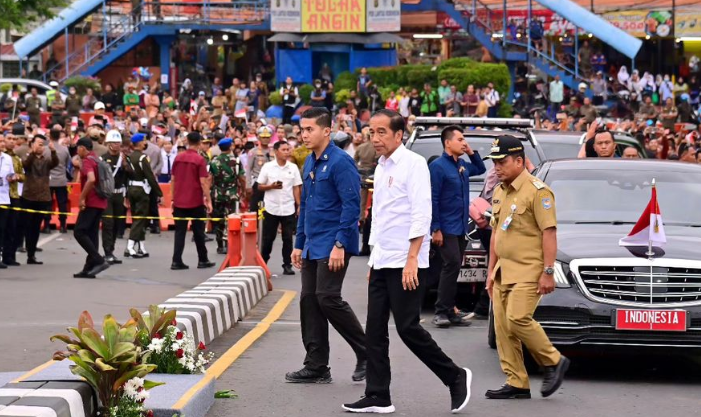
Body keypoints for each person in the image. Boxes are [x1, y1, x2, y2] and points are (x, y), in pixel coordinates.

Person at [342, 110, 471, 414]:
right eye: (372, 132)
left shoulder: (413, 165)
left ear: (399, 135)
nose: (375, 138)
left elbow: (421, 214)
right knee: (374, 329)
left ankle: (454, 376)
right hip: (384, 258)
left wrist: (413, 259)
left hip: (406, 261)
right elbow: (382, 218)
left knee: (408, 328)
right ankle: (377, 395)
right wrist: (374, 259)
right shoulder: (382, 164)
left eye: (382, 132)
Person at [484, 134, 569, 400]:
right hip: (503, 271)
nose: (497, 167)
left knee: (518, 318)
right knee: (503, 328)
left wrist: (548, 271)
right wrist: (490, 272)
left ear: (519, 161)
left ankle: (553, 360)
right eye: (494, 162)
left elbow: (549, 233)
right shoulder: (500, 191)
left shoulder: (537, 191)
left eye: (502, 161)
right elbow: (496, 234)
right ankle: (517, 382)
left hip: (528, 270)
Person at [287, 107, 367, 384]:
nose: (304, 134)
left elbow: (351, 206)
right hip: (311, 244)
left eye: (310, 129)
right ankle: (316, 365)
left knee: (328, 298)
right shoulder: (310, 162)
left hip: (333, 243)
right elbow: (306, 206)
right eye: (302, 129)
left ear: (326, 130)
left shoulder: (341, 162)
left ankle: (367, 352)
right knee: (309, 301)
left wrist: (340, 244)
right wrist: (298, 244)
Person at [429, 126, 486, 328]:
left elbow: (480, 169)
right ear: (447, 142)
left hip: (460, 226)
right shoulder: (438, 166)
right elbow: (433, 198)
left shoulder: (461, 164)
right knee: (451, 265)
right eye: (460, 139)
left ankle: (450, 310)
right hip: (445, 227)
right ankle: (441, 311)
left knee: (455, 268)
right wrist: (435, 228)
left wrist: (471, 152)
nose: (464, 142)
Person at [170, 132, 215, 270]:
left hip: (179, 201)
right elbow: (203, 182)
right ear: (200, 142)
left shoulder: (178, 158)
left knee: (180, 232)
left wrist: (173, 198)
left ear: (187, 141)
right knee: (199, 232)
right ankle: (202, 259)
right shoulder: (199, 160)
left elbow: (173, 179)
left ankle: (176, 260)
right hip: (195, 201)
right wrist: (208, 200)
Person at [257, 140, 302, 275]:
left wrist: (299, 204)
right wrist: (271, 186)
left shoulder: (293, 167)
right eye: (284, 149)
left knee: (288, 238)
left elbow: (296, 187)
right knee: (268, 238)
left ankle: (287, 265)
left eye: (288, 149)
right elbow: (259, 185)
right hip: (272, 207)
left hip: (288, 207)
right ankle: (263, 263)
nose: (287, 152)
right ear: (276, 151)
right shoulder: (268, 167)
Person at [73, 138, 110, 278]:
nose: (77, 151)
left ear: (83, 148)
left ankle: (99, 260)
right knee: (92, 234)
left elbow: (91, 179)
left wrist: (82, 197)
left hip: (92, 202)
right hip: (101, 202)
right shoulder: (97, 159)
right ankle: (88, 268)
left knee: (79, 232)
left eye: (78, 148)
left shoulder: (88, 161)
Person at [21, 134, 59, 265]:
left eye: (42, 145)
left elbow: (55, 163)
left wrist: (53, 151)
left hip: (42, 197)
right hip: (28, 196)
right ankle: (24, 247)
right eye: (38, 144)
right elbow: (26, 166)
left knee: (36, 226)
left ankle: (31, 255)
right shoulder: (27, 156)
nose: (40, 147)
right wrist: (32, 152)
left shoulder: (46, 159)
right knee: (27, 225)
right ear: (32, 145)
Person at [125, 133, 161, 258]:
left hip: (131, 188)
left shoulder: (129, 157)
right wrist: (158, 192)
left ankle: (141, 246)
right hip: (142, 189)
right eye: (144, 141)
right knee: (141, 219)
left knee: (137, 218)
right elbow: (150, 176)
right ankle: (130, 247)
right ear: (140, 143)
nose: (145, 143)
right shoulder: (142, 158)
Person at [209, 138, 245, 255]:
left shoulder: (214, 162)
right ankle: (230, 243)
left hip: (217, 194)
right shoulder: (236, 161)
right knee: (232, 219)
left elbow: (209, 179)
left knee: (219, 219)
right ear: (230, 147)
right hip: (232, 194)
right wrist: (243, 191)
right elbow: (242, 178)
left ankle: (220, 244)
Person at [101, 130, 129, 265]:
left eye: (118, 143)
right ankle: (107, 252)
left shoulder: (123, 159)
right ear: (108, 144)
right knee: (108, 223)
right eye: (114, 142)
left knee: (117, 224)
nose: (117, 145)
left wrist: (125, 165)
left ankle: (111, 250)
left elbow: (130, 175)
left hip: (119, 194)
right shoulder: (102, 159)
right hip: (107, 195)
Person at [2, 133, 25, 266]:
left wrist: (16, 176)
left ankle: (9, 256)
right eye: (9, 139)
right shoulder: (3, 157)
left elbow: (23, 176)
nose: (11, 141)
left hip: (14, 195)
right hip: (3, 195)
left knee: (12, 227)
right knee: (2, 227)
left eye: (14, 139)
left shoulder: (16, 158)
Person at [47, 128, 72, 234]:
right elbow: (68, 163)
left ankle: (46, 225)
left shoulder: (45, 149)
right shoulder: (64, 149)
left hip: (48, 179)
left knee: (47, 203)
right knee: (62, 203)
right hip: (61, 179)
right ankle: (63, 225)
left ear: (50, 136)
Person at [246, 126, 273, 211]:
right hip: (257, 182)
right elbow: (248, 170)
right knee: (255, 207)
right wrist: (248, 185)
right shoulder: (253, 152)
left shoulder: (273, 152)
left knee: (269, 208)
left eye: (267, 137)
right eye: (263, 137)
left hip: (270, 183)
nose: (265, 139)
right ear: (258, 137)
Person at [0, 135, 16, 268]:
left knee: (2, 229)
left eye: (2, 141)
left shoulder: (7, 158)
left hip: (4, 197)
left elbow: (11, 174)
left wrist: (12, 177)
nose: (2, 143)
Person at [142, 133, 163, 234]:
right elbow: (161, 163)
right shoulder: (156, 149)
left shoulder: (137, 148)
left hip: (141, 179)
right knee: (153, 203)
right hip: (152, 178)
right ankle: (155, 225)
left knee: (143, 203)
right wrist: (155, 173)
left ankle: (145, 224)